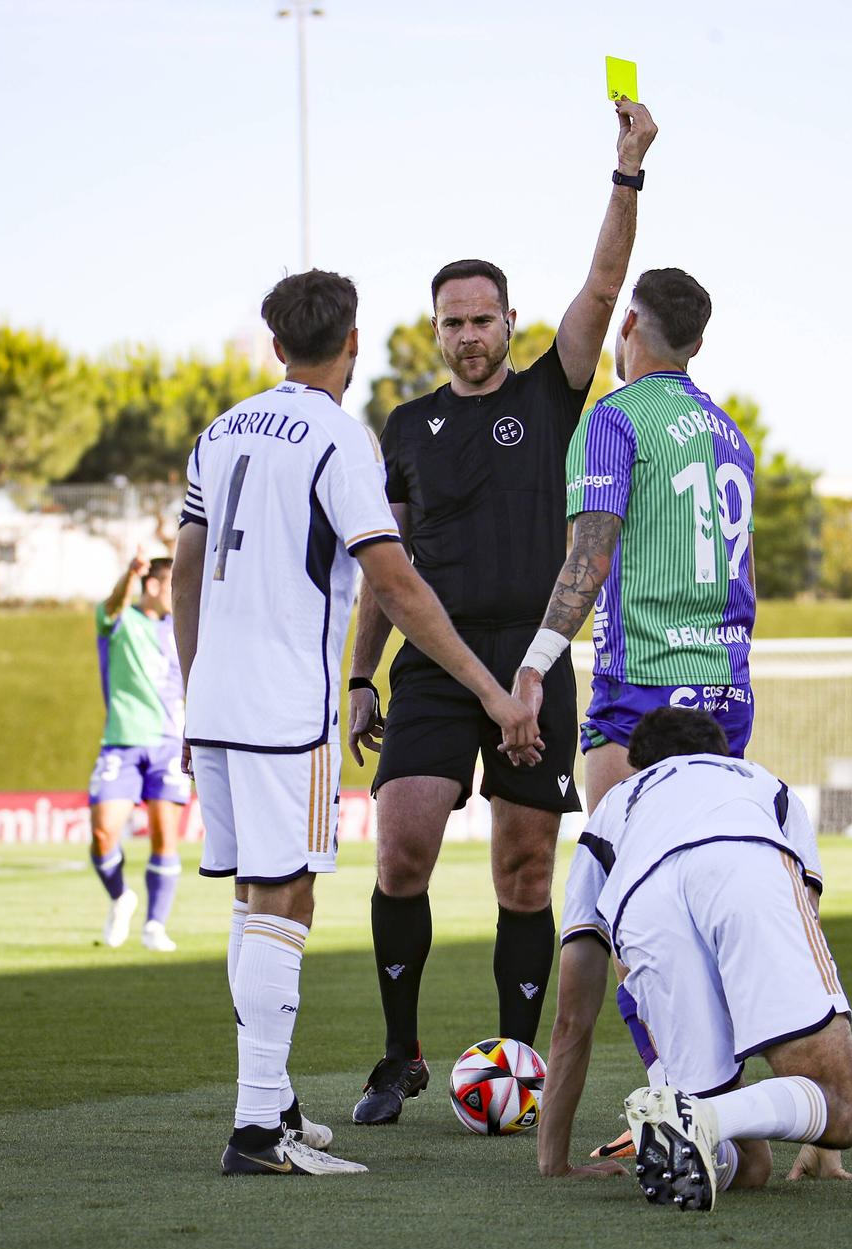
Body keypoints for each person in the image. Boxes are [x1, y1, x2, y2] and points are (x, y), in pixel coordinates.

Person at [174, 268, 542, 1177]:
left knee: (250, 898)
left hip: (216, 698)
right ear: (352, 343)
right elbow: (394, 579)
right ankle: (258, 1129)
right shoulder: (340, 439)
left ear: (274, 345)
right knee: (287, 897)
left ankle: (274, 1103)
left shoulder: (218, 433)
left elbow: (183, 568)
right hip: (278, 702)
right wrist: (491, 693)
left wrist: (192, 693)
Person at [345, 97, 660, 1126]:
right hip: (434, 669)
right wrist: (358, 675)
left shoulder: (552, 391)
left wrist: (626, 169)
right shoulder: (405, 426)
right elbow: (381, 570)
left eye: (483, 319)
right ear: (431, 330)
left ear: (508, 324)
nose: (469, 336)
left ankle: (515, 1064)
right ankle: (398, 1055)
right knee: (402, 846)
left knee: (525, 868)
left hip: (533, 664)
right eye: (451, 322)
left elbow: (605, 281)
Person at [516, 266, 754, 1160]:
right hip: (726, 697)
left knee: (618, 916)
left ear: (628, 326)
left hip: (640, 698)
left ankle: (676, 1114)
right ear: (698, 340)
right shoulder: (730, 434)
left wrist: (536, 667)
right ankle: (796, 1125)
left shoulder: (614, 420)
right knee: (729, 907)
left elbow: (589, 555)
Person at [535, 708, 852, 1211]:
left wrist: (554, 1159)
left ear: (636, 765)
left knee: (748, 1167)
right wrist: (822, 1140)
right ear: (722, 753)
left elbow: (572, 1016)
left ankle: (692, 1118)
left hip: (643, 901)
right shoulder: (763, 784)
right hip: (746, 862)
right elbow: (800, 927)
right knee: (839, 1110)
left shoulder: (615, 807)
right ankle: (701, 1119)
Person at [86, 549, 191, 951]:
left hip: (168, 744)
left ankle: (154, 926)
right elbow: (112, 606)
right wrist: (128, 575)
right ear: (151, 586)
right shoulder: (120, 621)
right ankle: (120, 898)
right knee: (101, 833)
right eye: (171, 585)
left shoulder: (180, 627)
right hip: (122, 741)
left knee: (165, 838)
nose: (177, 593)